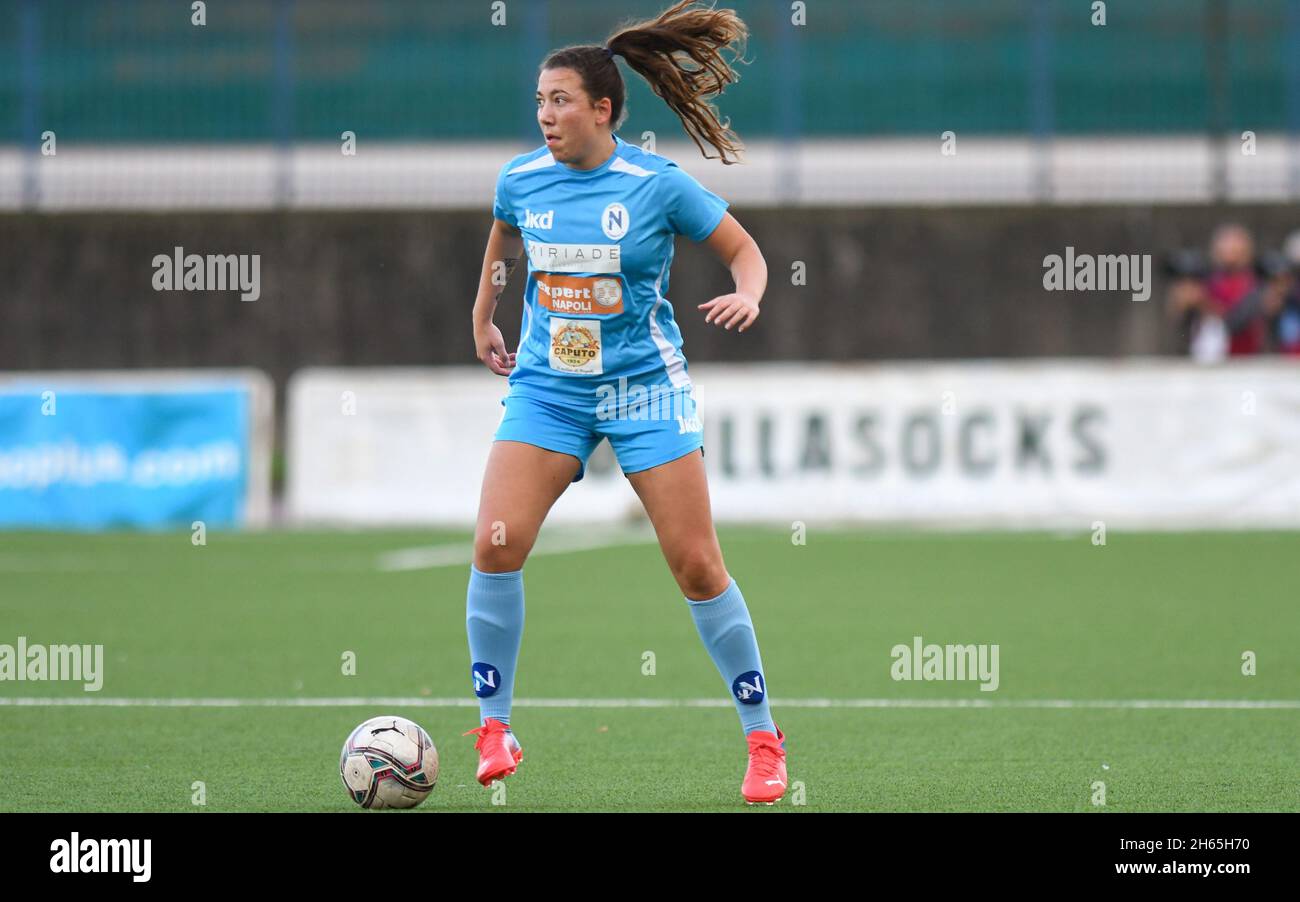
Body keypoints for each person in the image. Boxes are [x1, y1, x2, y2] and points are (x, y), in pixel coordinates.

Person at [464, 0, 784, 805]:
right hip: (548, 391)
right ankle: (494, 725)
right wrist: (483, 312)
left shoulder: (655, 184)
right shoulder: (520, 179)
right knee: (496, 544)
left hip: (643, 392)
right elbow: (505, 240)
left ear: (603, 110)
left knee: (698, 565)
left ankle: (763, 739)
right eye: (539, 101)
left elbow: (744, 252)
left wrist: (748, 293)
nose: (545, 115)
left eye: (561, 100)